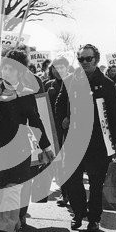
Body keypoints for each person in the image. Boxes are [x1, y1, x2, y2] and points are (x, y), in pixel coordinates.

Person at [0, 48, 54, 232]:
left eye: (11, 69)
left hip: (18, 151)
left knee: (12, 190)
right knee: (2, 191)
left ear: (20, 72)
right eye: (5, 68)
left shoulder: (26, 94)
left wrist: (46, 147)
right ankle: (14, 223)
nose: (7, 71)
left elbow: (36, 122)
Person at [56, 44, 116, 232]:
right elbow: (59, 104)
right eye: (81, 59)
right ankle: (78, 213)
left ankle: (94, 218)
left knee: (96, 182)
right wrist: (63, 119)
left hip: (98, 143)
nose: (85, 62)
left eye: (88, 58)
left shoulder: (107, 84)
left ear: (96, 59)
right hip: (74, 141)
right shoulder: (69, 80)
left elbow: (115, 115)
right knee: (73, 180)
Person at [45, 56, 71, 207]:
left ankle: (70, 192)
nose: (57, 70)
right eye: (55, 67)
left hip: (68, 129)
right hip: (52, 129)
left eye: (61, 67)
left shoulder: (73, 82)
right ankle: (64, 191)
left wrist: (69, 117)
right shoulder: (48, 85)